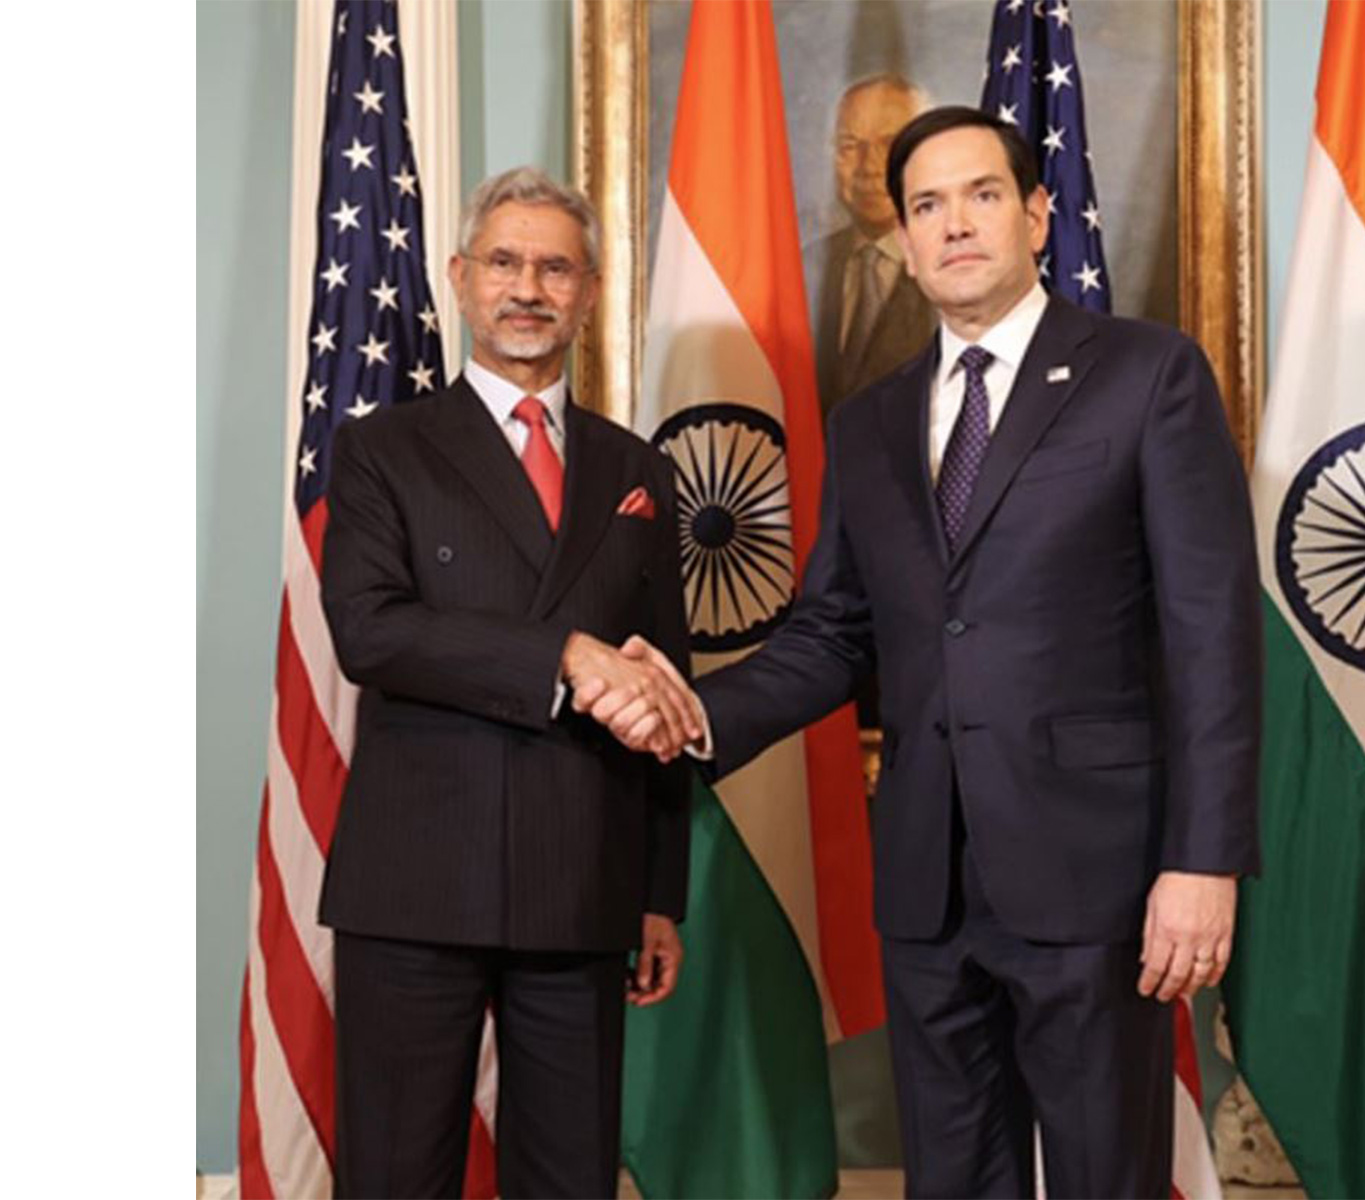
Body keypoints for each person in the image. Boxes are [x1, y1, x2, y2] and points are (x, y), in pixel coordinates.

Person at [612, 108, 1262, 1198]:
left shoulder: (1148, 375)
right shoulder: (869, 422)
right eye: (926, 205)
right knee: (952, 1179)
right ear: (904, 241)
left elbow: (1211, 636)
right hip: (926, 882)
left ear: (1036, 214)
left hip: (1096, 878)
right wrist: (693, 714)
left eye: (982, 195)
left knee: (1108, 1174)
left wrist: (1202, 864)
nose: (954, 224)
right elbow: (836, 629)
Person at [317, 166, 702, 1199]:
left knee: (570, 1180)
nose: (526, 286)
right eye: (503, 261)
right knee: (396, 1176)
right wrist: (562, 656)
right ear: (458, 277)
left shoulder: (639, 471)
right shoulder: (378, 449)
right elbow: (371, 632)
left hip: (583, 878)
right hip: (413, 882)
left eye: (553, 267)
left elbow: (665, 684)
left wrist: (659, 891)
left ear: (587, 290)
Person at [808, 73, 938, 422]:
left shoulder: (960, 265)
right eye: (850, 146)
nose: (868, 166)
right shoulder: (800, 269)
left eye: (889, 143)